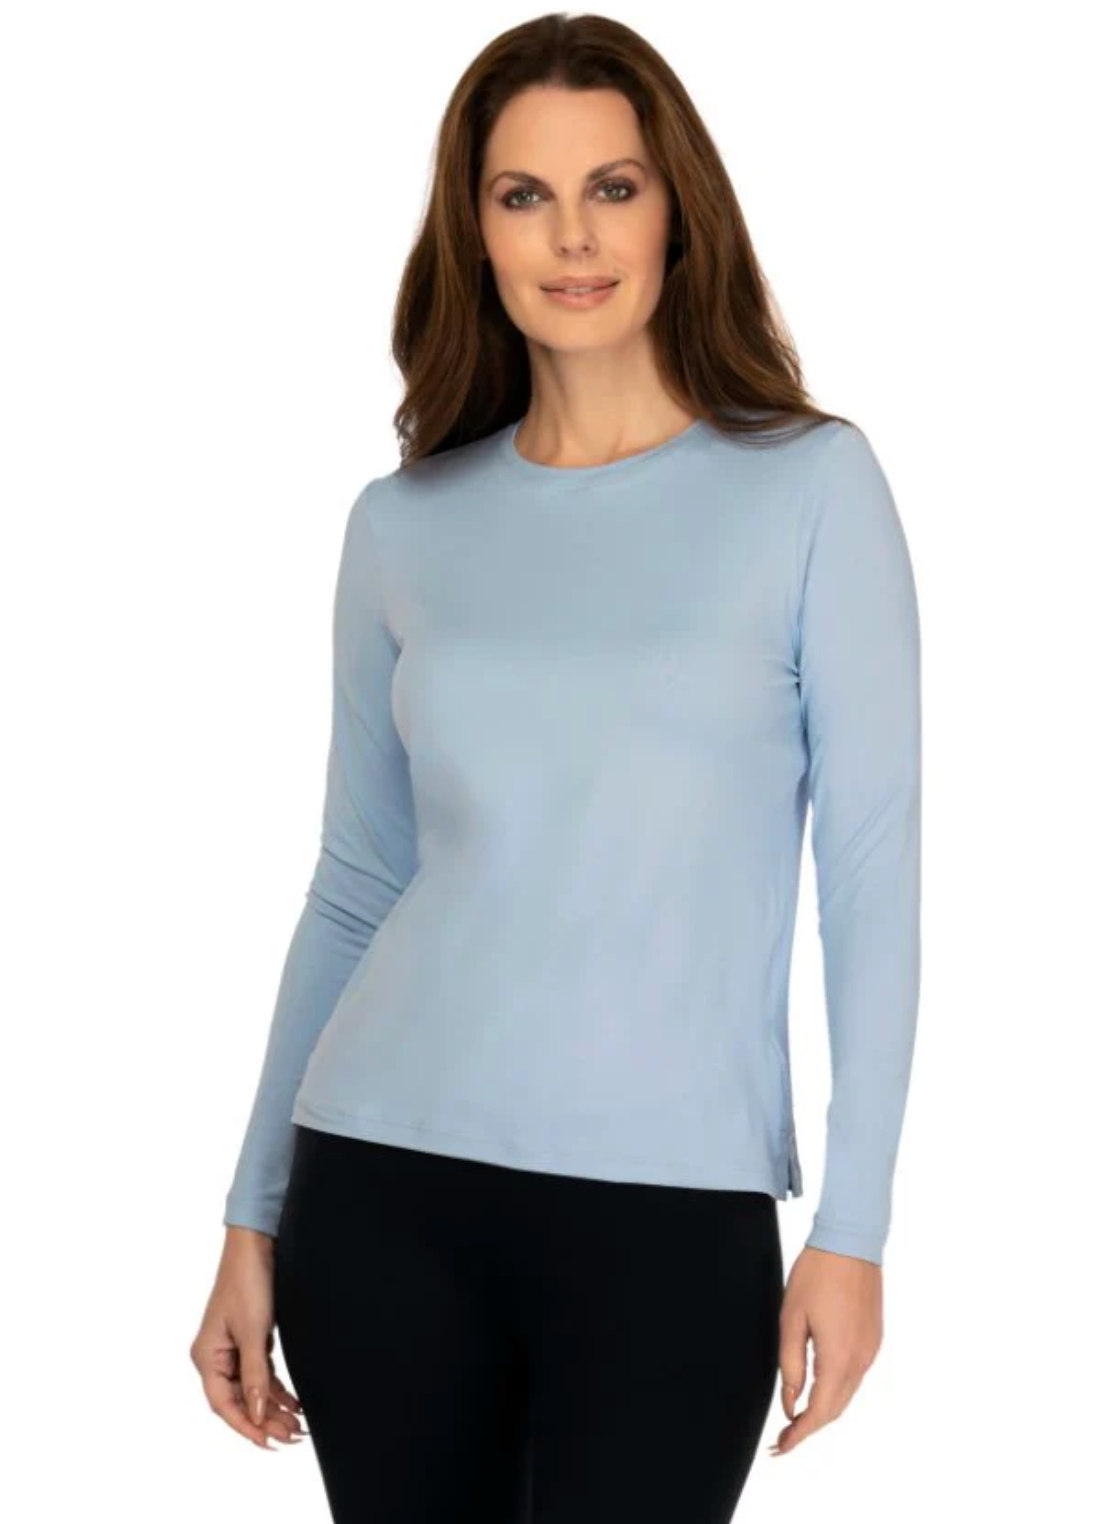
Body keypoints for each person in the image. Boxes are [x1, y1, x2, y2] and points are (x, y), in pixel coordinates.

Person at [191, 12, 921, 1521]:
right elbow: (357, 882)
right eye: (524, 194)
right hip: (379, 1190)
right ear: (475, 231)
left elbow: (869, 876)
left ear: (677, 215)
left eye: (614, 187)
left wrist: (852, 1230)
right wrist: (251, 1215)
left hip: (670, 1214)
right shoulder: (404, 524)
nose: (572, 236)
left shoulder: (809, 486)